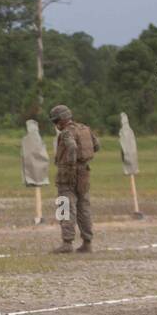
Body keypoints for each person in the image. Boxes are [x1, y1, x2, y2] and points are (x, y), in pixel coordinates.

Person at [50, 105, 96, 253]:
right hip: (84, 173)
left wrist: (70, 164)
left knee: (64, 207)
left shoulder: (66, 133)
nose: (56, 124)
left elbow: (72, 147)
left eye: (56, 121)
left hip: (67, 175)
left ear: (62, 120)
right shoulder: (84, 129)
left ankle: (67, 242)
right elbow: (97, 145)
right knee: (84, 207)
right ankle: (87, 242)